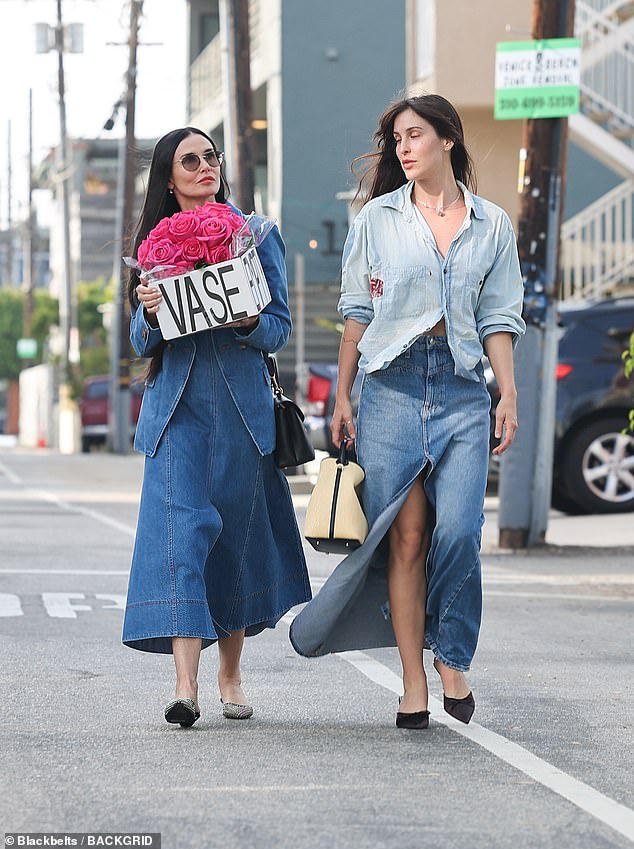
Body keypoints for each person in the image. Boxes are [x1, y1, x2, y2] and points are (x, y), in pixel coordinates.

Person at [290, 94, 526, 729]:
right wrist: (341, 394)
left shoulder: (492, 224)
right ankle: (415, 681)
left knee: (460, 533)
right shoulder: (377, 220)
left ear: (447, 139)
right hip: (390, 388)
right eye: (397, 139)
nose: (403, 147)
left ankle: (452, 652)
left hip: (462, 389)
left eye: (415, 135)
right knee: (406, 537)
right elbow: (356, 314)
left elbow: (501, 319)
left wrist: (508, 392)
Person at [122, 127, 312, 727]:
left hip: (242, 410)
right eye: (190, 160)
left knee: (233, 537)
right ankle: (186, 686)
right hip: (177, 413)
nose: (206, 166)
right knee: (183, 537)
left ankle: (230, 672)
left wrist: (250, 319)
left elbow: (279, 329)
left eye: (211, 157)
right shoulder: (151, 248)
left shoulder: (257, 236)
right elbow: (137, 341)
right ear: (169, 177)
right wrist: (149, 310)